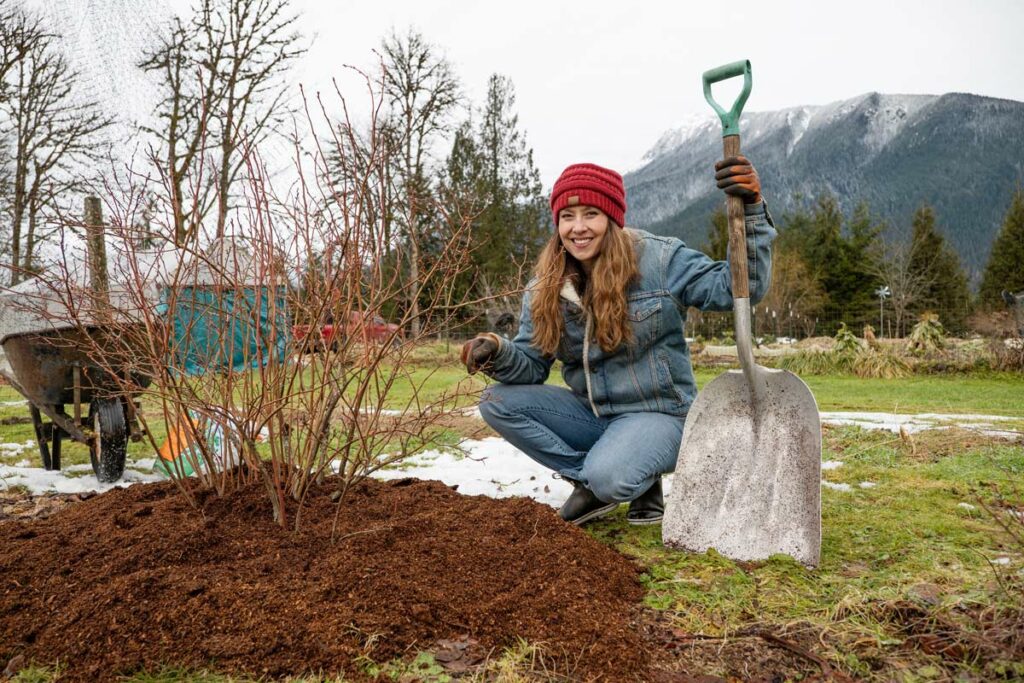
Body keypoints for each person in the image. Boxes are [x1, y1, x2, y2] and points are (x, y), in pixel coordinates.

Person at [461, 158, 776, 525]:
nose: (578, 228)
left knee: (608, 475)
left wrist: (751, 208)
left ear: (612, 218)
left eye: (591, 214)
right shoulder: (545, 287)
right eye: (567, 216)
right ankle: (613, 480)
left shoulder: (659, 260)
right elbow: (532, 366)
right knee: (496, 401)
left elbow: (739, 288)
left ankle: (608, 479)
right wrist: (497, 352)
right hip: (593, 417)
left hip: (661, 416)